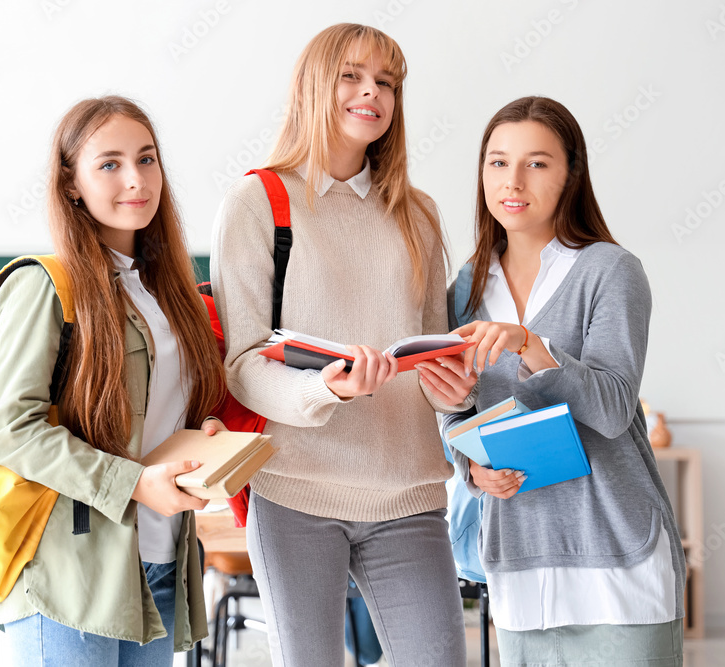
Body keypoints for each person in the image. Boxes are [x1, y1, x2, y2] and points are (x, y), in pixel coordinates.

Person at [210, 23, 472, 667]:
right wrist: (322, 387)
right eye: (352, 75)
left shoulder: (420, 214)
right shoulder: (257, 201)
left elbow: (434, 353)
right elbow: (242, 364)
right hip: (294, 488)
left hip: (407, 492)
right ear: (314, 86)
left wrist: (456, 391)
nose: (372, 93)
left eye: (386, 82)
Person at [418, 96, 686, 666]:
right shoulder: (464, 289)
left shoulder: (610, 270)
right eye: (497, 162)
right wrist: (472, 468)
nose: (512, 180)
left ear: (571, 176)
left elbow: (614, 408)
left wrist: (531, 346)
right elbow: (456, 412)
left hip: (617, 554)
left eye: (536, 163)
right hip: (522, 560)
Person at [0, 96, 225, 667]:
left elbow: (162, 412)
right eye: (109, 164)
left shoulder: (171, 293)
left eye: (147, 159)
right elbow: (10, 431)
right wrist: (134, 485)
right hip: (68, 577)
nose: (136, 180)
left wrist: (203, 436)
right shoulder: (48, 285)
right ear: (72, 184)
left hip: (160, 563)